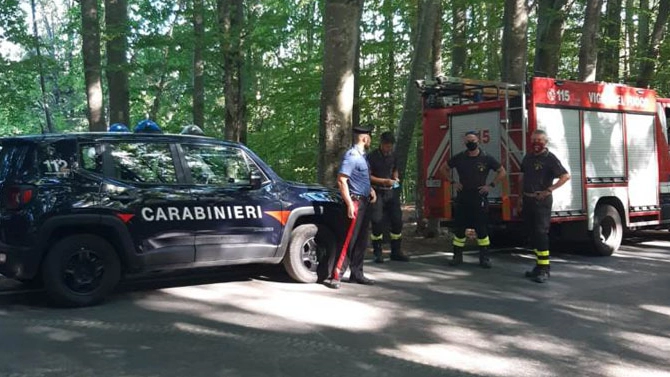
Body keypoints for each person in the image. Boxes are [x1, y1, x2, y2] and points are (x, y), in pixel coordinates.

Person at [323, 124, 377, 289]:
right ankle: (336, 275)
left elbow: (360, 177)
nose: (370, 140)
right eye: (369, 137)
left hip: (365, 201)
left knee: (362, 240)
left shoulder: (363, 156)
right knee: (348, 240)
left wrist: (371, 190)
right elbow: (342, 180)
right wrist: (348, 204)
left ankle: (357, 273)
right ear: (365, 138)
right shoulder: (352, 156)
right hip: (354, 201)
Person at [441, 130, 506, 268]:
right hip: (463, 197)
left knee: (481, 229)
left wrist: (491, 185)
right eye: (468, 141)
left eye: (473, 140)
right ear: (465, 142)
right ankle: (457, 257)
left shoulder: (486, 158)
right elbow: (444, 168)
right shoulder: (459, 158)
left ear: (478, 141)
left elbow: (502, 171)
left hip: (479, 198)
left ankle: (485, 258)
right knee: (459, 229)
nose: (471, 143)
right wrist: (453, 182)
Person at [519, 129, 570, 283]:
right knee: (531, 234)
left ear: (545, 142)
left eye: (539, 140)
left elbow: (565, 176)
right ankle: (538, 266)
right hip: (527, 200)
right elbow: (522, 177)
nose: (536, 143)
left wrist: (549, 190)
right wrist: (519, 197)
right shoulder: (527, 158)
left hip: (541, 201)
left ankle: (544, 269)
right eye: (534, 140)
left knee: (541, 234)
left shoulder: (550, 159)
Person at [367, 131, 409, 263]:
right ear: (381, 144)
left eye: (390, 146)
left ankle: (396, 251)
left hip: (391, 193)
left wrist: (395, 177)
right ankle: (377, 252)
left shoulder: (394, 155)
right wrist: (383, 181)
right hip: (377, 192)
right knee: (377, 222)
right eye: (386, 145)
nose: (388, 148)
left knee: (397, 221)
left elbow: (395, 169)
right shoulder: (372, 156)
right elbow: (368, 176)